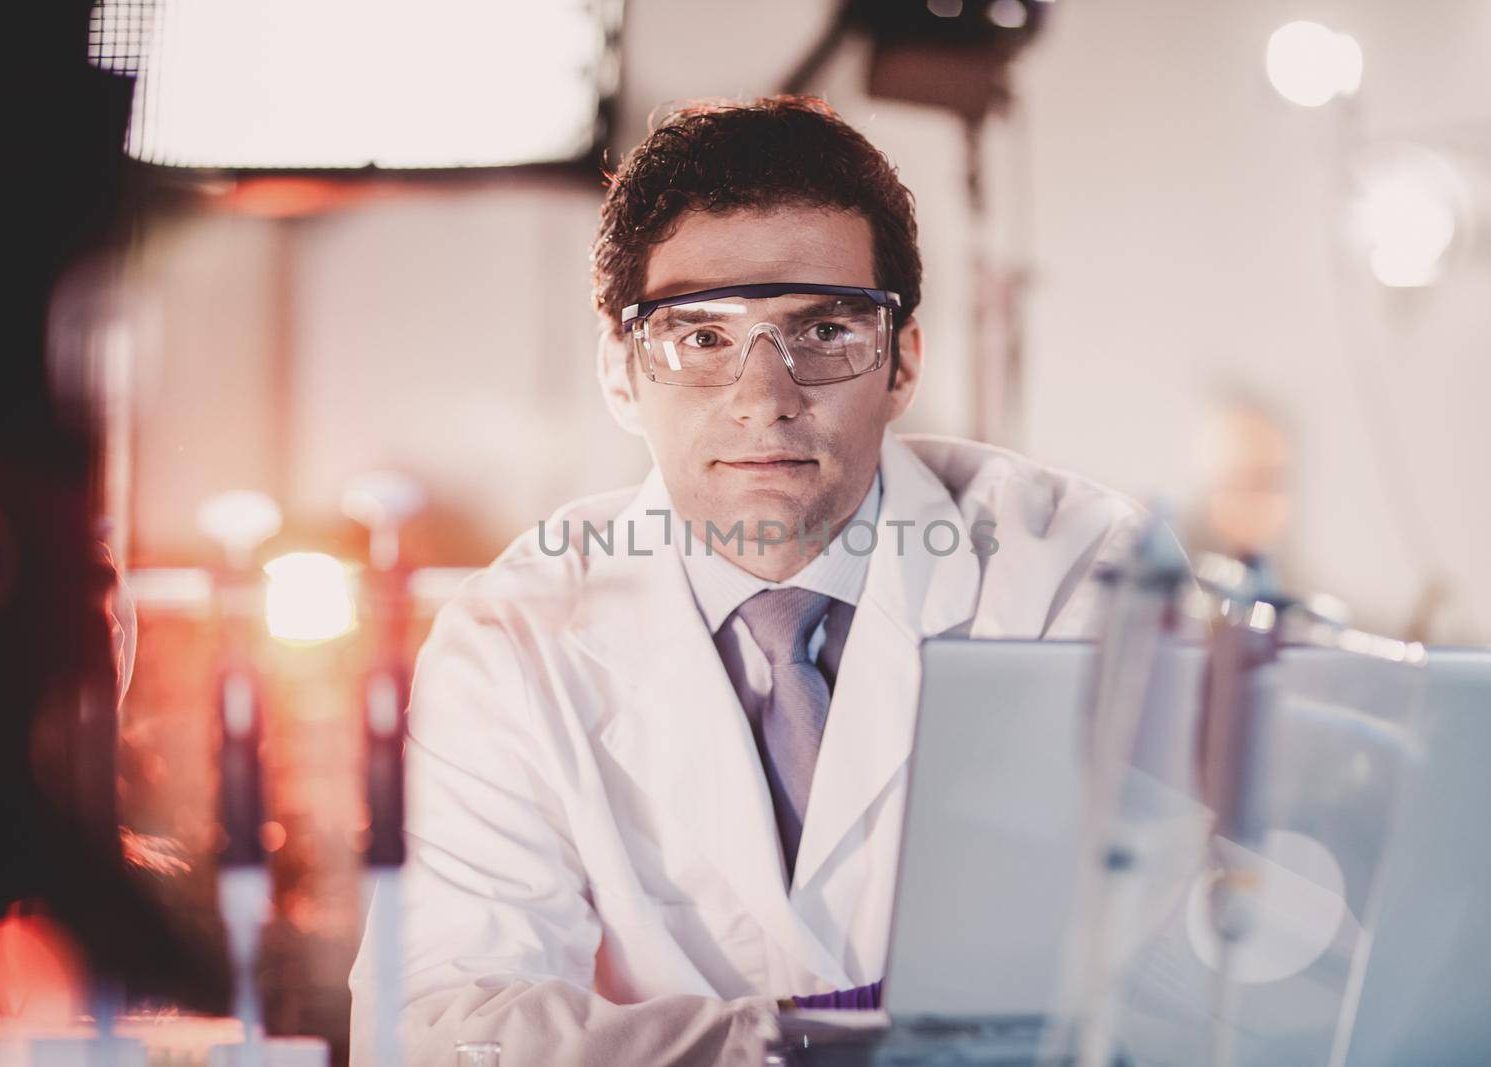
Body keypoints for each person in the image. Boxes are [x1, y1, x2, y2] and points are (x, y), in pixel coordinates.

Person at [350, 95, 1147, 1066]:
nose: (764, 398)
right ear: (618, 372)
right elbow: (435, 1027)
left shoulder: (1074, 571)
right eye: (702, 337)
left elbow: (1165, 982)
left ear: (901, 364)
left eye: (823, 331)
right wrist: (832, 1044)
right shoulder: (512, 637)